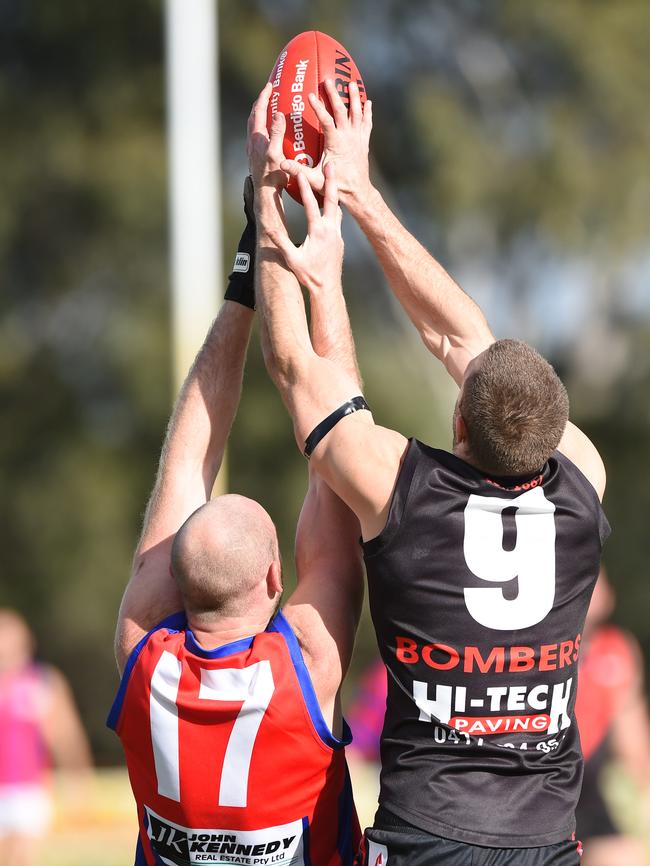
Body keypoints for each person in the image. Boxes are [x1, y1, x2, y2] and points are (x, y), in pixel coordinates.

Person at [249, 77, 609, 866]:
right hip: (545, 841)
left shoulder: (401, 488)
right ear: (552, 432)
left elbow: (290, 363)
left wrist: (268, 198)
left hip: (427, 837)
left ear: (458, 422)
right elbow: (464, 345)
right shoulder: (583, 479)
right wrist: (364, 198)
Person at [109, 180, 364, 866]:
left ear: (169, 576)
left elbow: (188, 458)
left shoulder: (142, 652)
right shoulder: (307, 663)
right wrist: (319, 278)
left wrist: (246, 276)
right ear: (275, 575)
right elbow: (342, 448)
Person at [0, 608, 92, 866]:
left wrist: (78, 780)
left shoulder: (43, 681)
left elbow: (65, 735)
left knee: (20, 858)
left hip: (29, 789)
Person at [575, 569, 650, 866]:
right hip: (537, 795)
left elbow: (634, 745)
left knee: (625, 857)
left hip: (589, 796)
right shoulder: (529, 654)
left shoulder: (617, 650)